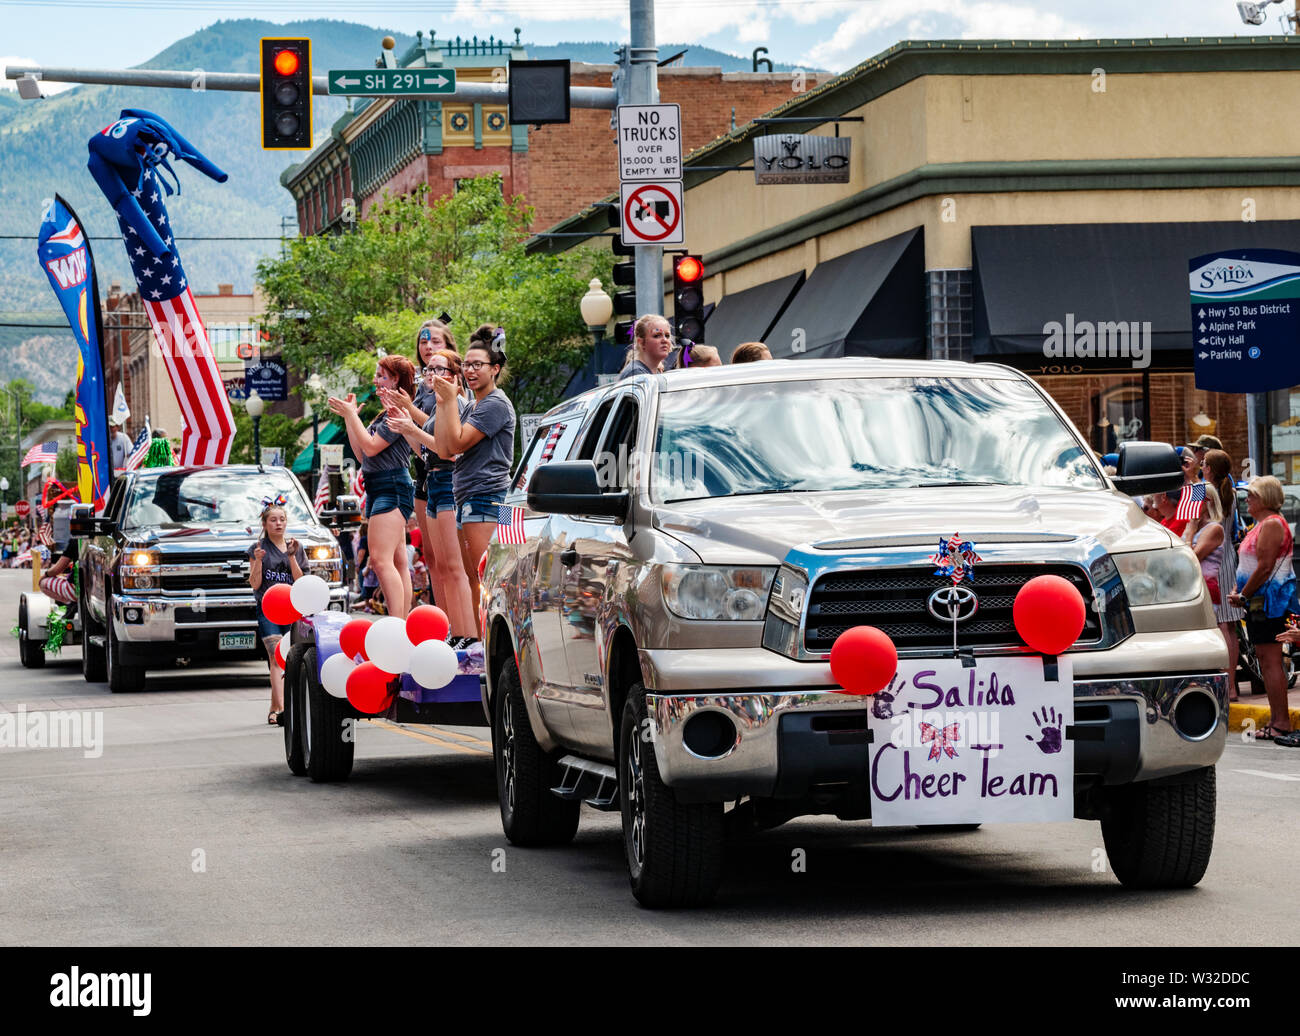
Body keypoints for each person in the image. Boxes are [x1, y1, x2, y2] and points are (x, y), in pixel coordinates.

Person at [384, 346, 477, 642]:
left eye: (439, 369)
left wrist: (411, 423)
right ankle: (453, 630)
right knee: (440, 563)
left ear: (454, 376)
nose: (432, 374)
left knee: (457, 566)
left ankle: (469, 633)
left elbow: (447, 451)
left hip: (451, 481)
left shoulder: (458, 405)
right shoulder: (437, 408)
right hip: (433, 481)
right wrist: (406, 428)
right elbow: (424, 451)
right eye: (429, 369)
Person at [429, 324, 516, 641]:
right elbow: (442, 448)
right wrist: (443, 403)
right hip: (470, 498)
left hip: (489, 498)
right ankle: (481, 644)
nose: (469, 370)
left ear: (495, 368)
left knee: (488, 578)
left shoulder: (495, 403)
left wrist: (450, 401)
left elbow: (458, 443)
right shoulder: (477, 403)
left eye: (477, 364)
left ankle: (493, 647)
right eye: (466, 364)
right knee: (474, 577)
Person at [328, 355, 417, 620]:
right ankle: (402, 621)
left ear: (397, 380)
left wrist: (350, 415)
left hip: (392, 486)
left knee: (379, 560)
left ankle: (397, 623)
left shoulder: (396, 413)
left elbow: (370, 446)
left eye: (382, 376)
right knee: (398, 561)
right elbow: (361, 454)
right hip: (380, 486)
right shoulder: (385, 414)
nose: (376, 381)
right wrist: (350, 418)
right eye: (377, 375)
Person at [1228, 476, 1296, 740]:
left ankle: (1281, 722)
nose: (1248, 500)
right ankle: (1277, 719)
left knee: (1270, 661)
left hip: (1270, 601)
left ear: (1265, 498)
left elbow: (1266, 566)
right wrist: (1239, 590)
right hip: (1258, 601)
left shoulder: (1272, 524)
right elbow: (1249, 565)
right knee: (1265, 660)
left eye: (1252, 495)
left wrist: (1243, 595)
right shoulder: (1260, 525)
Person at [247, 497, 306, 725]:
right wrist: (258, 561)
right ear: (265, 524)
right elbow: (254, 583)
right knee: (275, 657)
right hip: (268, 608)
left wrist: (291, 556)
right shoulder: (258, 549)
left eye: (282, 519)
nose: (278, 524)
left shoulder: (295, 547)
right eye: (273, 520)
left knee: (291, 657)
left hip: (291, 609)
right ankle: (282, 708)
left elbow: (301, 581)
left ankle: (275, 706)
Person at [1201, 448, 1244, 695]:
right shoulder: (1233, 493)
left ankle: (1227, 686)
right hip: (1228, 557)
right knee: (1229, 625)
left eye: (1204, 463)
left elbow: (1187, 514)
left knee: (1221, 624)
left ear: (1210, 469)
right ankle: (1232, 684)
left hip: (1211, 557)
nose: (1201, 466)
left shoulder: (1202, 491)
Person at [618, 314, 674, 379]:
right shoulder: (636, 373)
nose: (665, 340)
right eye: (657, 336)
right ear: (641, 342)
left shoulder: (655, 372)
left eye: (667, 336)